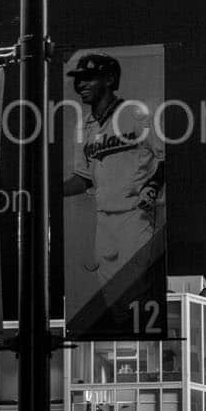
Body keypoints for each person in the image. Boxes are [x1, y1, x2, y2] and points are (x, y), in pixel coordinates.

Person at [63, 52, 165, 326]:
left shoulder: (135, 113)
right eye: (78, 79)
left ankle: (145, 348)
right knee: (113, 302)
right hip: (103, 221)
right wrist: (48, 191)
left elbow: (165, 157)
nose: (81, 84)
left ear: (109, 79)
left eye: (89, 78)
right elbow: (83, 179)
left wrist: (154, 184)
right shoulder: (83, 124)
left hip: (135, 216)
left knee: (135, 292)